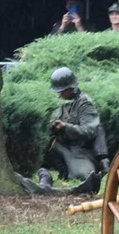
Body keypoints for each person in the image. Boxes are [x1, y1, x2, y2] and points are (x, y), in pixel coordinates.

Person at [33, 67, 104, 195]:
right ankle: (52, 172)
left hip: (82, 151)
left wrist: (66, 127)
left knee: (84, 175)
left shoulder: (85, 104)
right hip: (63, 148)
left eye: (61, 91)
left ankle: (69, 170)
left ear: (70, 88)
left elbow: (89, 131)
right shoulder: (64, 102)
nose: (59, 94)